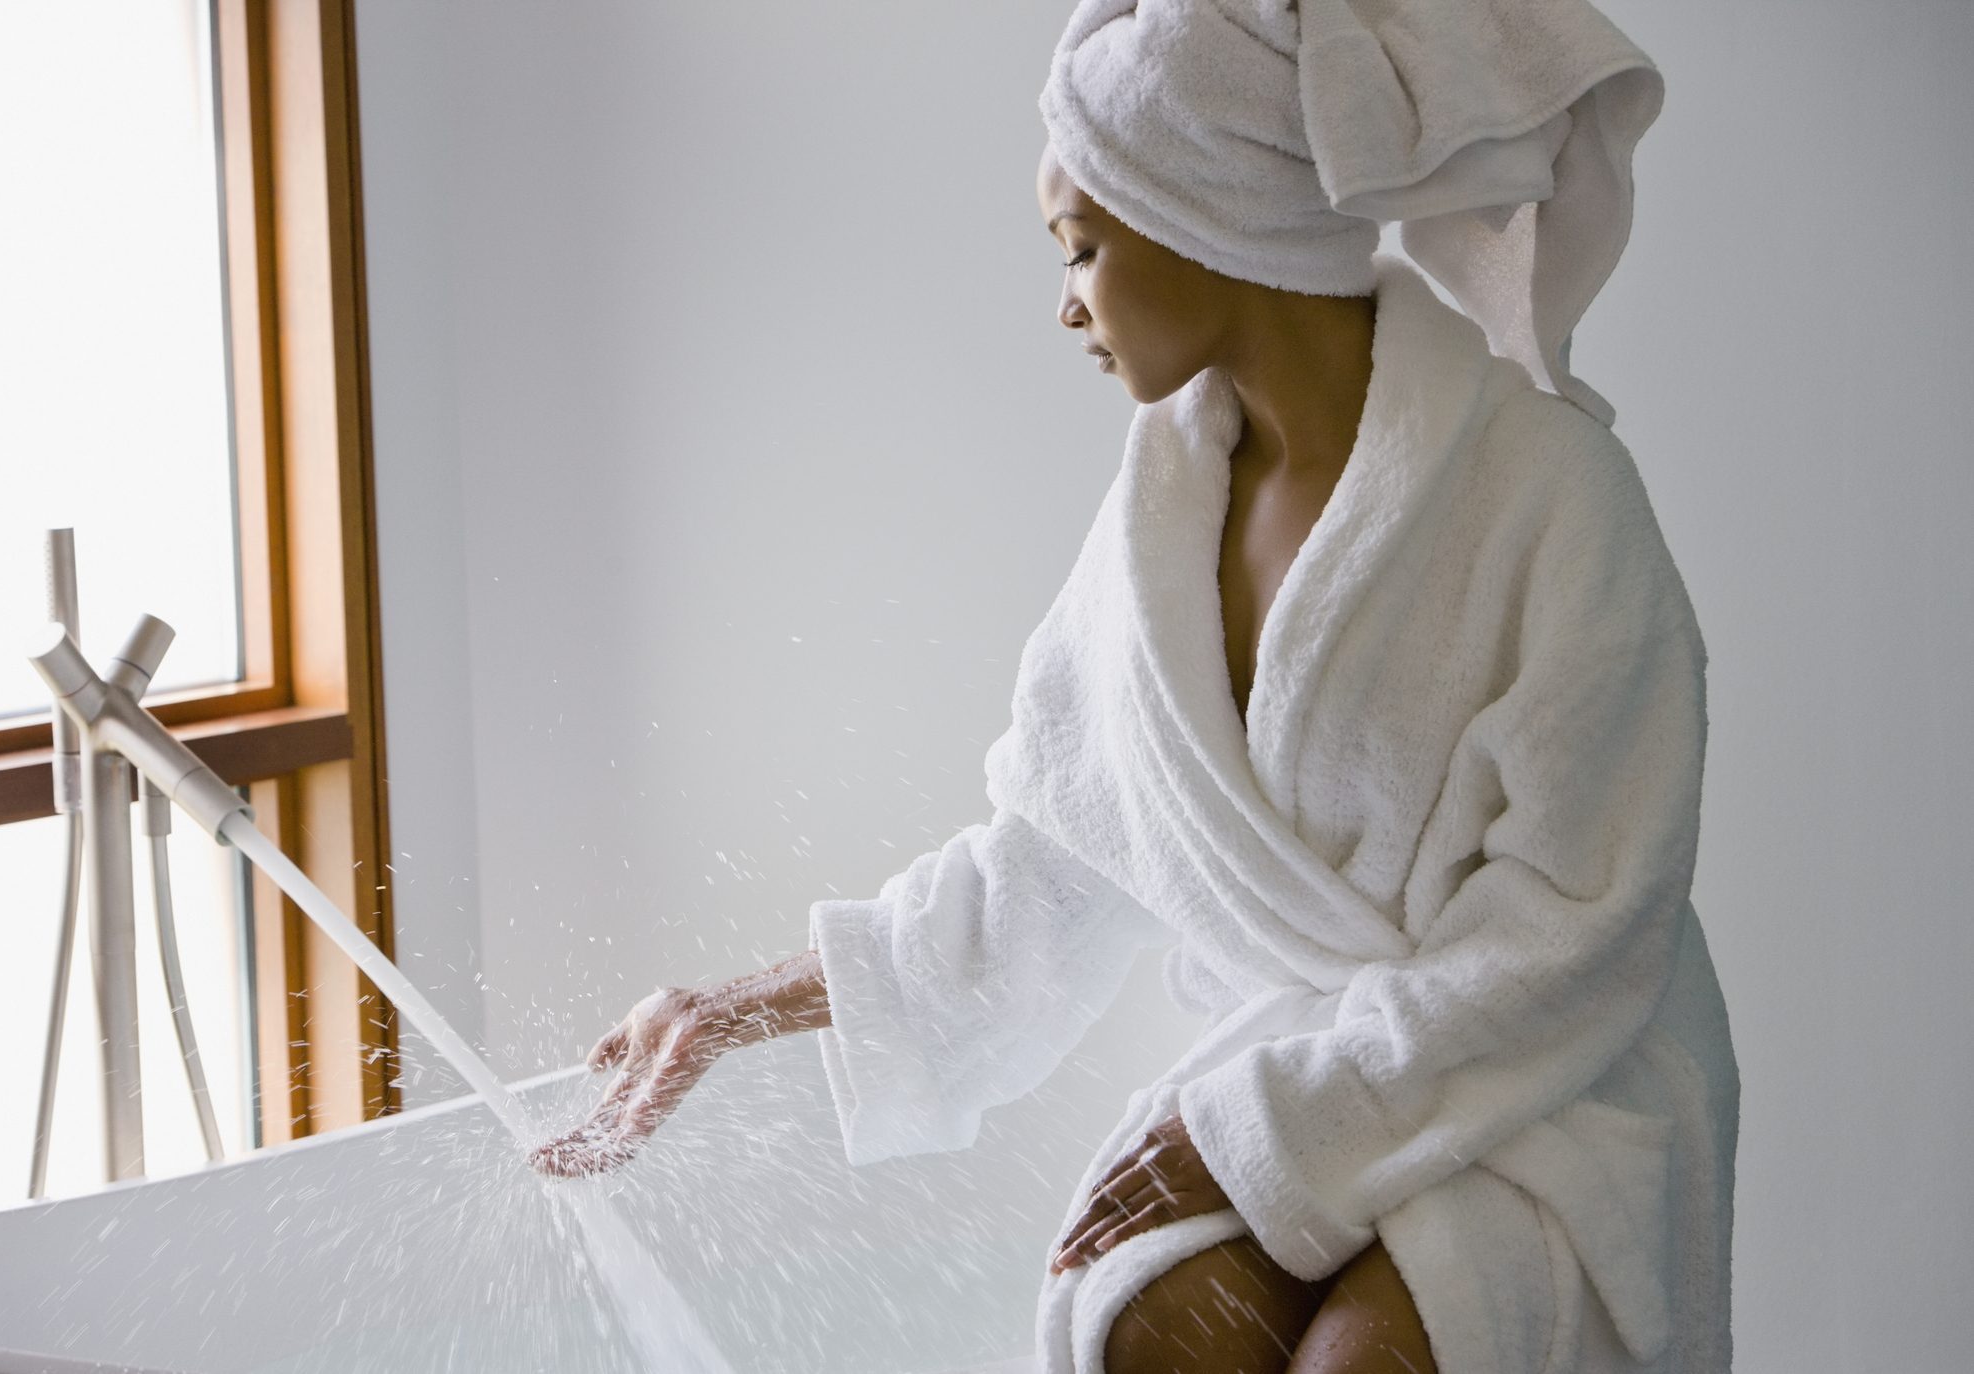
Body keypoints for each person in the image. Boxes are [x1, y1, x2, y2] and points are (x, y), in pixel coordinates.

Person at [534, 4, 1739, 1372]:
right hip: (1317, 1071)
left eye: (1083, 246)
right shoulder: (1158, 525)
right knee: (1153, 1333)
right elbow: (1044, 864)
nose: (1065, 301)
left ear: (1210, 219)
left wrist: (1266, 1132)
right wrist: (727, 1008)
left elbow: (1574, 931)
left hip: (1541, 1078)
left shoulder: (1555, 495)